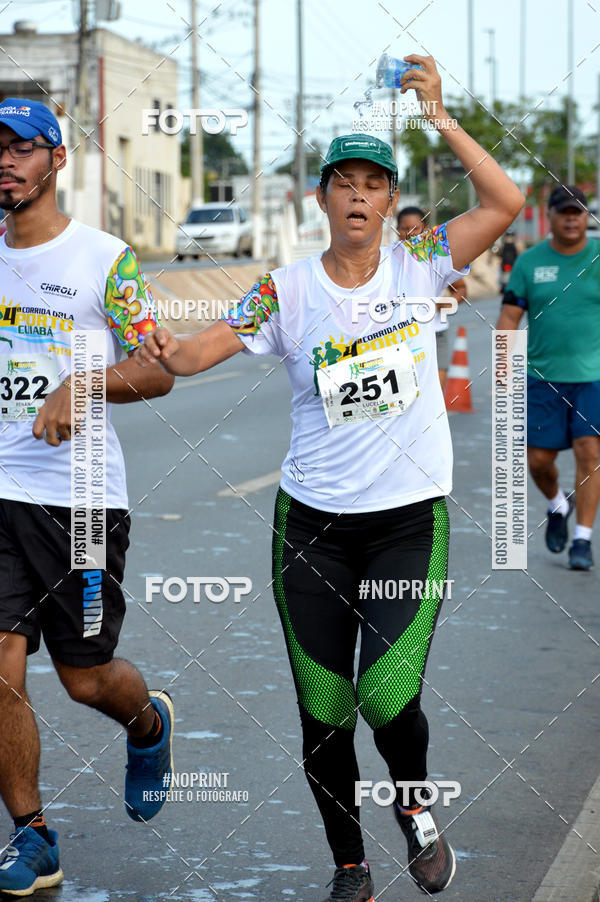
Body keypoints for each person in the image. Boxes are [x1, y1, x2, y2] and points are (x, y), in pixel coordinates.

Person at [137, 55, 524, 902]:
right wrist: (172, 350)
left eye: (372, 183)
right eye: (342, 182)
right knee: (324, 710)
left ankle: (416, 808)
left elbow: (504, 203)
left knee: (387, 694)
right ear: (321, 199)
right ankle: (349, 865)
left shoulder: (422, 263)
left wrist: (440, 117)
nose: (357, 196)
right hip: (310, 526)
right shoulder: (286, 291)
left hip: (404, 521)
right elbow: (207, 349)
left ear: (389, 200)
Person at [0, 98, 176, 896]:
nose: (6, 160)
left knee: (84, 676)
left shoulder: (105, 260)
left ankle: (147, 722)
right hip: (0, 494)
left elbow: (158, 368)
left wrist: (84, 382)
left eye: (22, 148)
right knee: (0, 661)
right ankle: (33, 835)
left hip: (80, 501)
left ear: (57, 160)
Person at [496, 185, 600, 570]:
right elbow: (509, 316)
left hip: (593, 378)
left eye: (578, 212)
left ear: (586, 216)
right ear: (551, 216)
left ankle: (582, 540)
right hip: (543, 379)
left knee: (590, 454)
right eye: (564, 212)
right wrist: (504, 365)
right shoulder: (529, 263)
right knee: (538, 460)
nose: (572, 218)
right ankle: (558, 503)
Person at [396, 206, 468, 391]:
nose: (409, 234)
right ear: (397, 230)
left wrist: (442, 304)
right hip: (401, 339)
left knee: (435, 392)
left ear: (426, 230)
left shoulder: (436, 259)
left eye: (415, 229)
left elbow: (460, 290)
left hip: (436, 334)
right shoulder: (388, 259)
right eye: (404, 229)